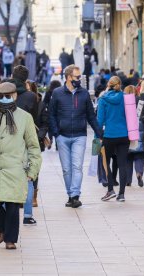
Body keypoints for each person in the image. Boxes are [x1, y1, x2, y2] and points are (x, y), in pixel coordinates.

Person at [0, 82, 42, 250]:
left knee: (12, 205)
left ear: (15, 96)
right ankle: (2, 229)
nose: (4, 99)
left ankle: (10, 240)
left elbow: (33, 146)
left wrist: (32, 170)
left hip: (15, 167)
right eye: (1, 97)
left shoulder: (25, 117)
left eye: (8, 96)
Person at [49, 65, 102, 208]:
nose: (79, 79)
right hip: (62, 136)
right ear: (68, 77)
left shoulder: (84, 94)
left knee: (77, 166)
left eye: (80, 77)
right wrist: (56, 133)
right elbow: (51, 114)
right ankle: (70, 195)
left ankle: (75, 195)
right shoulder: (57, 93)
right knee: (66, 168)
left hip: (79, 135)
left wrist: (99, 133)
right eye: (77, 77)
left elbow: (91, 116)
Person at [97, 76, 130, 202]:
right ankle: (121, 194)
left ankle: (110, 189)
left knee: (106, 162)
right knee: (122, 164)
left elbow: (99, 120)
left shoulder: (103, 99)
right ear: (119, 85)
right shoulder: (125, 97)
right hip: (124, 135)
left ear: (108, 85)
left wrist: (97, 137)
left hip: (108, 135)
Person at [26, 80, 49, 208]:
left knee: (34, 169)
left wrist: (39, 137)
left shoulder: (40, 104)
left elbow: (45, 123)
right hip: (21, 141)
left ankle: (33, 196)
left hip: (36, 141)